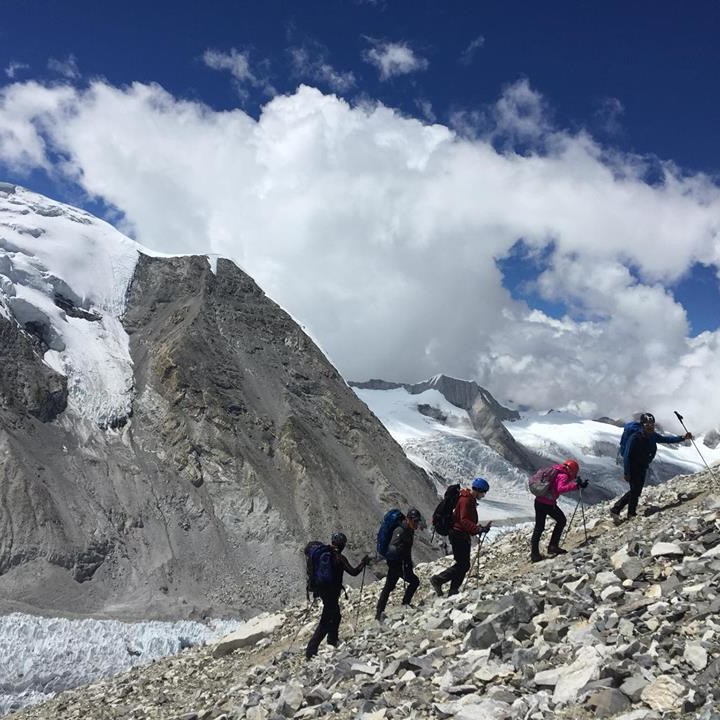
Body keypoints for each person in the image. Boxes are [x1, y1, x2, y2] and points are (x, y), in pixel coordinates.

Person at [611, 412, 691, 523]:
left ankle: (621, 511)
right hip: (633, 466)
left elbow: (666, 439)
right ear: (642, 425)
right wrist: (626, 472)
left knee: (636, 490)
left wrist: (682, 438)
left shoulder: (652, 435)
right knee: (635, 490)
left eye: (651, 424)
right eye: (647, 425)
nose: (650, 427)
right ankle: (625, 512)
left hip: (643, 466)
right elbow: (627, 456)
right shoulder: (634, 437)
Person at [305, 532, 369, 659]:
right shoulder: (339, 558)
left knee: (336, 615)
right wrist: (363, 563)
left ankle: (332, 640)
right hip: (332, 593)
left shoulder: (325, 554)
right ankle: (311, 651)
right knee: (326, 621)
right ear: (342, 544)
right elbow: (354, 572)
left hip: (323, 591)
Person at [431, 477, 491, 596]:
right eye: (483, 492)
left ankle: (453, 589)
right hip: (458, 534)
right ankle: (439, 580)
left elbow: (466, 520)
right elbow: (464, 520)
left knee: (462, 564)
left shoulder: (468, 499)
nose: (483, 495)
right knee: (463, 564)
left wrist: (479, 528)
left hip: (460, 534)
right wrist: (478, 529)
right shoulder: (466, 500)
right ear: (478, 490)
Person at [530, 459, 586, 563]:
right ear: (572, 470)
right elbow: (561, 488)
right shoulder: (563, 475)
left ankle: (535, 554)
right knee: (561, 521)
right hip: (548, 504)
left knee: (539, 527)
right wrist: (576, 485)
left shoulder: (555, 470)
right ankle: (553, 546)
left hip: (539, 501)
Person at [375, 508, 422, 621]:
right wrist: (400, 554)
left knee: (389, 587)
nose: (416, 523)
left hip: (401, 563)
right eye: (415, 521)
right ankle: (405, 603)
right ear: (408, 519)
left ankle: (379, 613)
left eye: (417, 521)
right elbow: (392, 547)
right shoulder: (400, 530)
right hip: (398, 564)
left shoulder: (408, 529)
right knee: (414, 582)